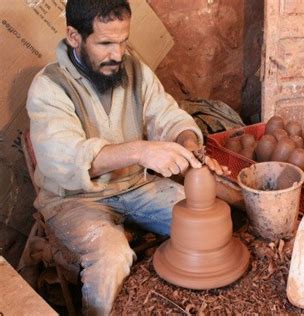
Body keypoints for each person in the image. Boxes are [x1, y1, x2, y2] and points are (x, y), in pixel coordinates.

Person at [26, 0, 227, 314]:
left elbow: (166, 116)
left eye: (123, 41)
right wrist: (141, 150)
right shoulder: (49, 87)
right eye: (105, 43)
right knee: (112, 256)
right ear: (74, 36)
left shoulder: (134, 70)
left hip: (135, 186)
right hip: (74, 198)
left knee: (206, 220)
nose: (117, 54)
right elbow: (65, 159)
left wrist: (188, 143)